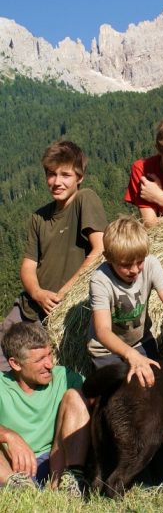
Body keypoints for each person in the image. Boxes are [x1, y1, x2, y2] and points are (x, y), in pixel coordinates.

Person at [0, 140, 108, 371]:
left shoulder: (84, 199)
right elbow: (28, 265)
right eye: (51, 174)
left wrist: (63, 294)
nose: (57, 182)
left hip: (60, 309)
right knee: (4, 357)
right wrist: (38, 293)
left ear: (79, 177)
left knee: (38, 367)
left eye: (65, 175)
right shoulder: (39, 217)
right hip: (30, 305)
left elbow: (99, 250)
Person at [88, 215, 163, 386]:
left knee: (155, 388)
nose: (134, 270)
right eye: (125, 265)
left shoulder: (151, 265)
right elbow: (103, 331)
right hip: (107, 351)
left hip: (141, 342)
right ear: (108, 258)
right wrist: (131, 356)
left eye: (139, 262)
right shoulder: (100, 280)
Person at [0, 323, 90, 496]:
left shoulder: (64, 376)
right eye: (39, 359)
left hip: (53, 463)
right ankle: (18, 489)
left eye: (49, 354)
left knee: (76, 396)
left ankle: (71, 481)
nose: (49, 364)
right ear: (15, 364)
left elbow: (98, 399)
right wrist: (9, 435)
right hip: (9, 467)